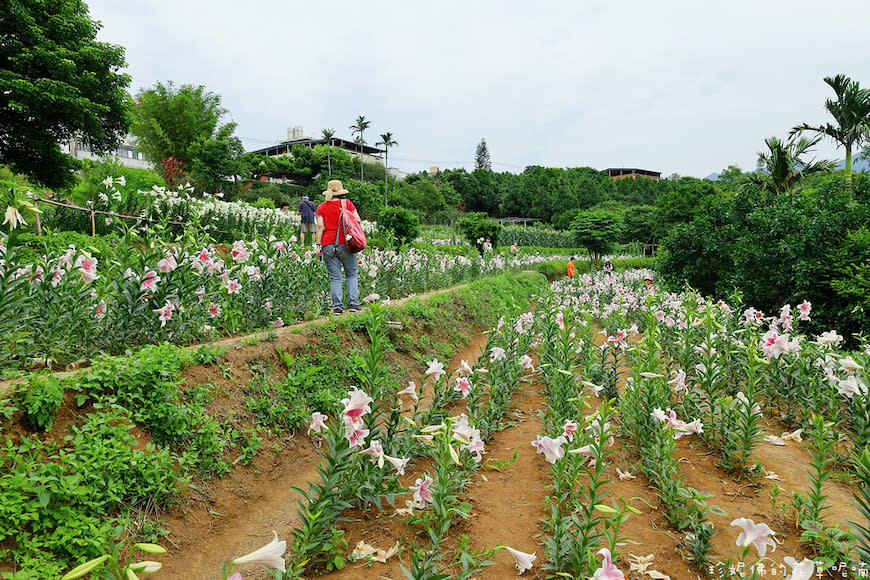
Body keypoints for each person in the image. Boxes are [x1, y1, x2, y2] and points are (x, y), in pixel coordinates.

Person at [315, 180, 362, 315]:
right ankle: (353, 304)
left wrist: (318, 245)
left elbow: (320, 226)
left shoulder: (322, 207)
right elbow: (357, 220)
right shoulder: (347, 204)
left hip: (328, 244)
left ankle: (337, 307)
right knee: (351, 274)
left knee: (335, 278)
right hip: (346, 242)